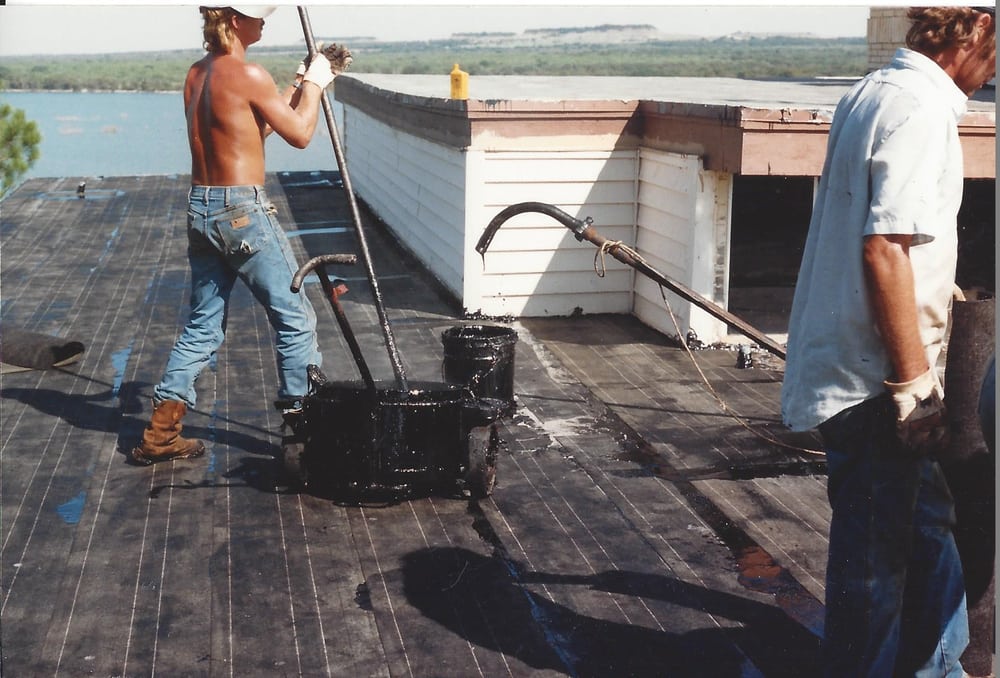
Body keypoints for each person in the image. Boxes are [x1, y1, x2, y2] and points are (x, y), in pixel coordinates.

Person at [780, 6, 995, 677]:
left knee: (928, 531)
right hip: (877, 386)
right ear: (969, 40)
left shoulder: (870, 92)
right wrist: (911, 390)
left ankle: (940, 666)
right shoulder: (922, 113)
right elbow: (883, 250)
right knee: (872, 573)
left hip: (856, 366)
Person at [132, 5, 338, 465]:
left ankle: (161, 434)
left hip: (201, 207)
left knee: (203, 326)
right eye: (259, 14)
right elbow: (300, 134)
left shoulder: (196, 74)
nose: (265, 20)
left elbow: (250, 130)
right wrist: (318, 87)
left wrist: (298, 83)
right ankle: (303, 437)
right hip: (241, 210)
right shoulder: (249, 72)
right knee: (295, 318)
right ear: (236, 21)